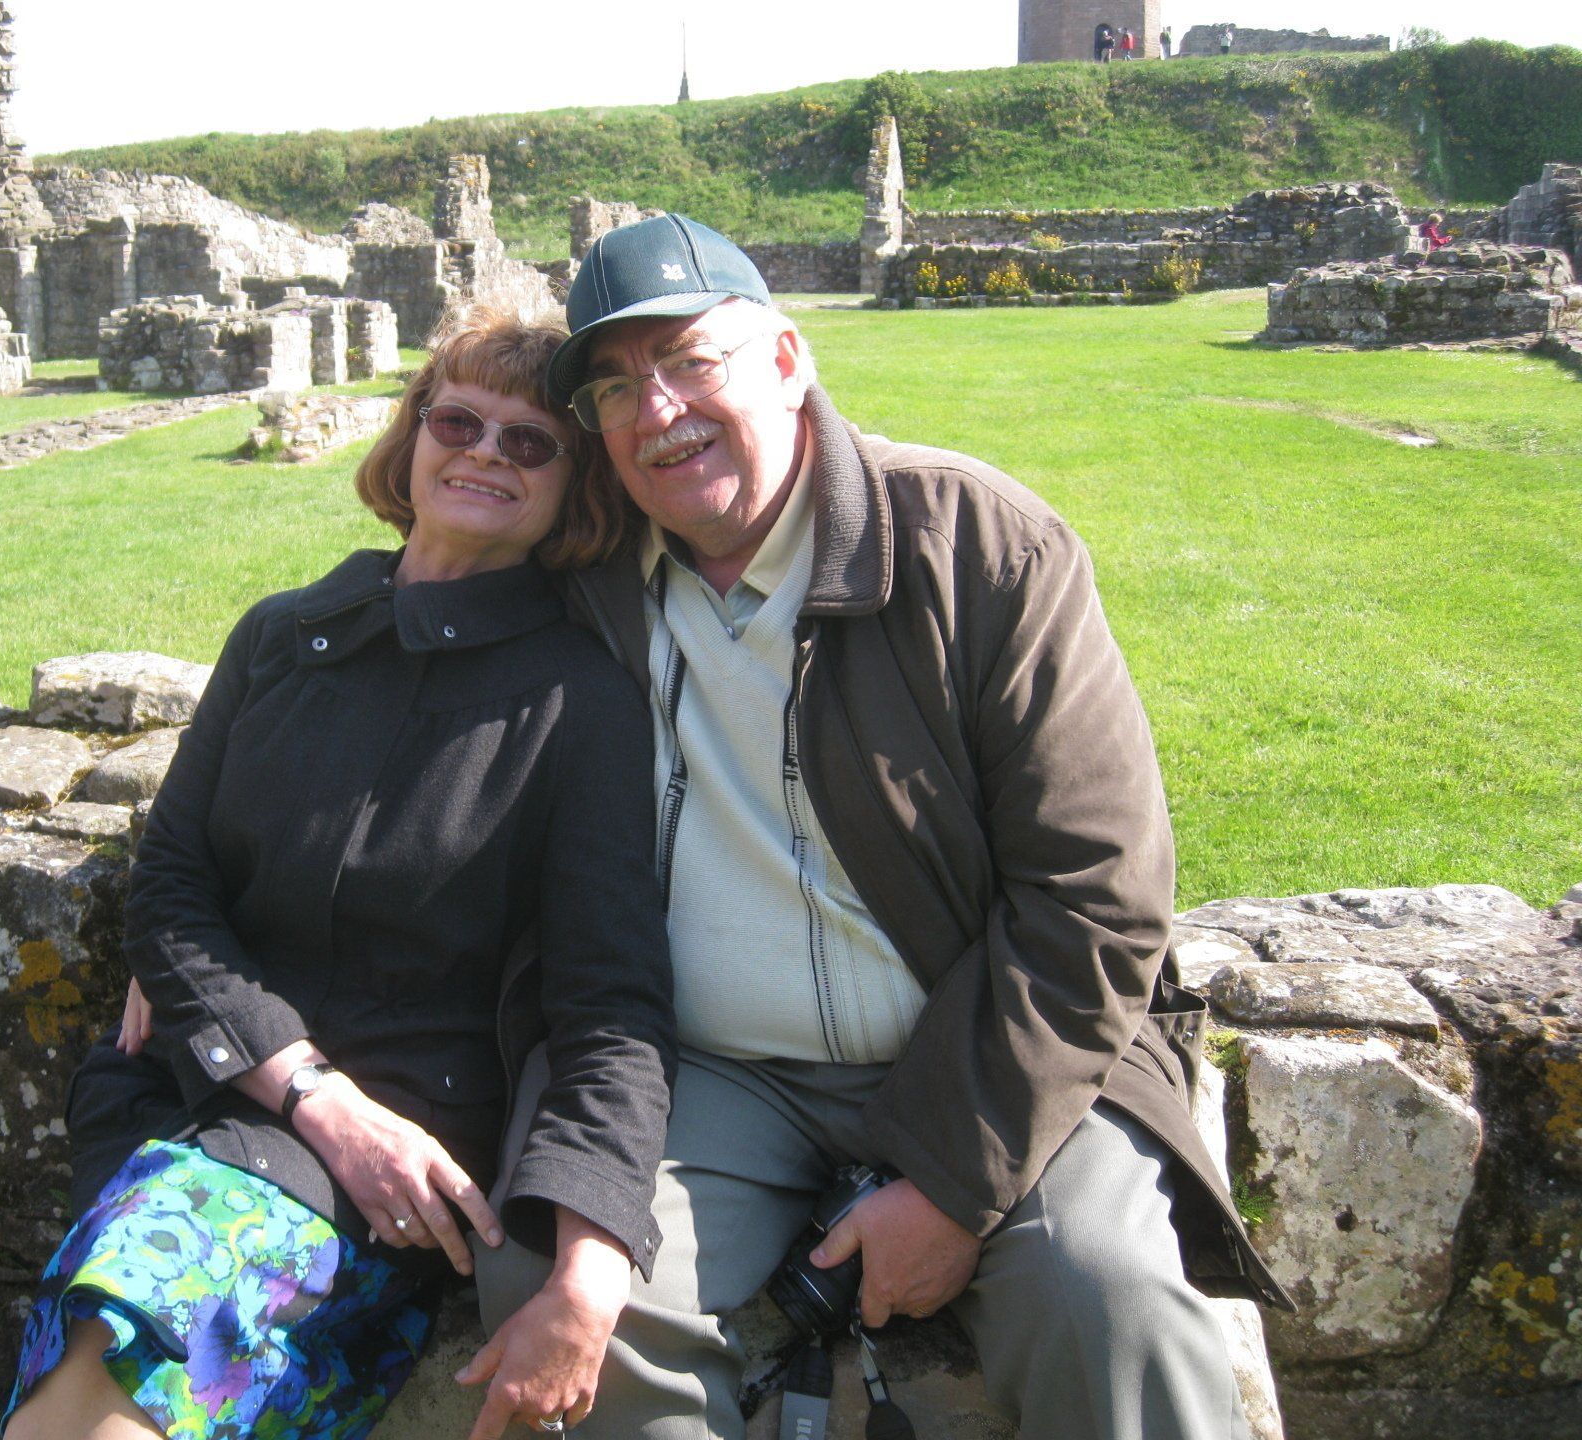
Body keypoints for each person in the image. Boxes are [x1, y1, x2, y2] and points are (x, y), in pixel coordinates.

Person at [472, 214, 1291, 1440]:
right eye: (616, 387)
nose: (658, 412)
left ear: (788, 359)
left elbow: (1098, 891)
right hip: (711, 1071)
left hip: (988, 1043)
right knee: (561, 1290)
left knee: (1107, 1301)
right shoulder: (588, 577)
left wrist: (952, 1185)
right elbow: (420, 590)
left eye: (691, 360)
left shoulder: (982, 545)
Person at [2, 309, 677, 1440]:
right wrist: (308, 1089)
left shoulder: (579, 703)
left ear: (576, 492)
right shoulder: (280, 636)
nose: (484, 453)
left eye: (530, 442)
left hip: (393, 1168)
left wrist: (593, 1252)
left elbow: (611, 998)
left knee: (109, 1366)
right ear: (412, 437)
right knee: (102, 1357)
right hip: (202, 1093)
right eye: (458, 421)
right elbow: (168, 887)